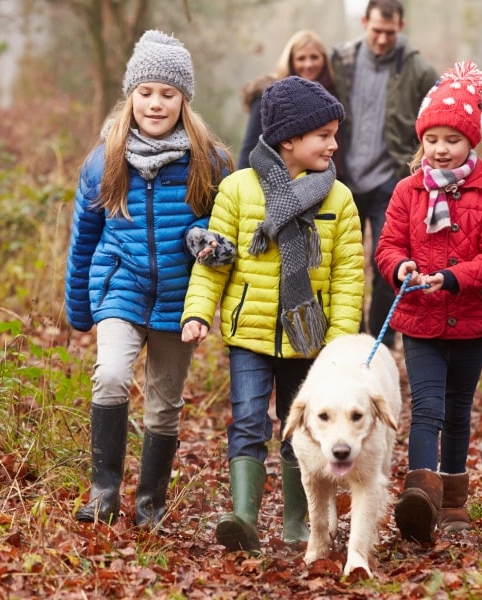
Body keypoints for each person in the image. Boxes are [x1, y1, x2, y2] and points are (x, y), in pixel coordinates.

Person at [181, 76, 364, 551]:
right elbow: (213, 261)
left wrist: (341, 345)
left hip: (310, 340)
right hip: (250, 334)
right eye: (322, 135)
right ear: (289, 139)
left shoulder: (338, 198)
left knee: (299, 426)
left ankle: (297, 523)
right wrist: (197, 312)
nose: (333, 143)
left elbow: (348, 278)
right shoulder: (238, 190)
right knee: (246, 422)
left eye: (333, 134)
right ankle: (243, 517)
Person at [65, 29, 234, 528]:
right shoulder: (104, 159)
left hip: (180, 298)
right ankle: (103, 491)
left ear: (184, 100)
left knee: (164, 405)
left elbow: (227, 231)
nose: (155, 104)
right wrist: (78, 306)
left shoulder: (211, 161)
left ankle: (150, 504)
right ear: (130, 95)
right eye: (145, 92)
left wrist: (209, 241)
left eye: (167, 94)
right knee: (112, 374)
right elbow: (84, 239)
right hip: (120, 286)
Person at [374, 61, 482, 544]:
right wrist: (401, 268)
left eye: (451, 140)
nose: (440, 149)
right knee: (427, 408)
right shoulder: (406, 192)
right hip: (420, 321)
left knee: (457, 411)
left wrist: (453, 278)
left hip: (473, 320)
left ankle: (454, 500)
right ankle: (419, 496)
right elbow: (388, 245)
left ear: (470, 142)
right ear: (421, 142)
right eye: (431, 139)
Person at [331, 0, 438, 348]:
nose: (381, 39)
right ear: (364, 22)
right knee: (344, 263)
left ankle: (379, 340)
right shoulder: (342, 61)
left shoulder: (418, 70)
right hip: (343, 176)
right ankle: (351, 336)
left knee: (386, 263)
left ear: (401, 27)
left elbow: (437, 116)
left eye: (389, 33)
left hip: (389, 179)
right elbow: (308, 81)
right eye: (376, 31)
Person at [237, 30, 343, 176]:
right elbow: (250, 146)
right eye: (301, 58)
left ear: (324, 59)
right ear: (290, 60)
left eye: (314, 57)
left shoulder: (335, 95)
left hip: (331, 175)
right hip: (277, 177)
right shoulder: (272, 97)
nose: (308, 64)